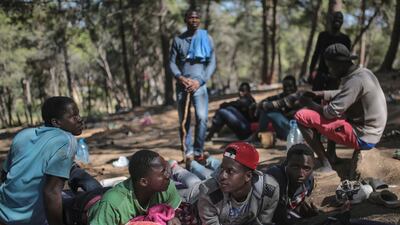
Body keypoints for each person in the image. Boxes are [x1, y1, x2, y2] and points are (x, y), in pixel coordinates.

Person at [295, 43, 387, 173]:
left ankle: (326, 163)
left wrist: (308, 103)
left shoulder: (355, 81)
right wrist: (319, 94)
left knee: (301, 116)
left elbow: (329, 113)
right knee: (331, 102)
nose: (330, 71)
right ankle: (331, 155)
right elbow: (345, 93)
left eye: (331, 67)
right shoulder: (363, 73)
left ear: (340, 64)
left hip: (364, 136)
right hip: (372, 132)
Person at [0, 96, 84, 225]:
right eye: (73, 116)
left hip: (3, 212)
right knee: (82, 205)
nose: (80, 119)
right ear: (56, 122)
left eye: (78, 114)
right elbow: (51, 192)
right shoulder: (66, 140)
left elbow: (4, 175)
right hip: (29, 220)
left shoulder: (23, 134)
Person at [169, 9, 216, 160]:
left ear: (199, 20)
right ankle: (187, 151)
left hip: (199, 85)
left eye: (196, 17)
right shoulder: (178, 40)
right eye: (191, 17)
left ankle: (198, 151)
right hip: (182, 85)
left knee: (202, 118)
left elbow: (211, 63)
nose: (194, 20)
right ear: (186, 19)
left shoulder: (206, 38)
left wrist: (200, 81)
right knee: (184, 119)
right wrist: (180, 78)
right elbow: (171, 63)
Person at [88, 150, 182, 225]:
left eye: (167, 168)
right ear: (144, 182)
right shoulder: (114, 203)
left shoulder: (166, 188)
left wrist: (172, 217)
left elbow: (174, 212)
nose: (168, 175)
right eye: (163, 172)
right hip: (85, 207)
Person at [197, 142, 279, 224]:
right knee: (194, 178)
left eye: (230, 171)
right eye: (221, 169)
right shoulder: (208, 191)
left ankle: (207, 160)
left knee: (205, 173)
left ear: (248, 176)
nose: (222, 176)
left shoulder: (268, 192)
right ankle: (192, 164)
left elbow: (263, 222)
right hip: (195, 193)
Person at [266, 144, 317, 225]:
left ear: (312, 168)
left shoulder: (309, 181)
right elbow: (277, 216)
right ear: (286, 164)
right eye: (295, 167)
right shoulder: (274, 178)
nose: (301, 174)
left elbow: (297, 203)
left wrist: (307, 213)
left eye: (306, 168)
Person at [309, 11, 351, 91]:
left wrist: (344, 77)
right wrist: (311, 72)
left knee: (330, 101)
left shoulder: (345, 39)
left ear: (342, 21)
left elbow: (347, 60)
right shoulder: (322, 35)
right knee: (315, 98)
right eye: (336, 17)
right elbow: (316, 54)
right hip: (321, 73)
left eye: (340, 18)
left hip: (335, 77)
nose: (337, 20)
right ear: (331, 19)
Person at [255, 75, 301, 140]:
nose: (287, 88)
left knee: (268, 111)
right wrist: (260, 104)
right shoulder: (283, 95)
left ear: (295, 87)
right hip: (286, 130)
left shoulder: (295, 96)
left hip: (294, 132)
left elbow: (273, 104)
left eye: (290, 86)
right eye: (285, 87)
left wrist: (259, 105)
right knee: (266, 109)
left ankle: (257, 135)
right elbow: (269, 99)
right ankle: (260, 134)